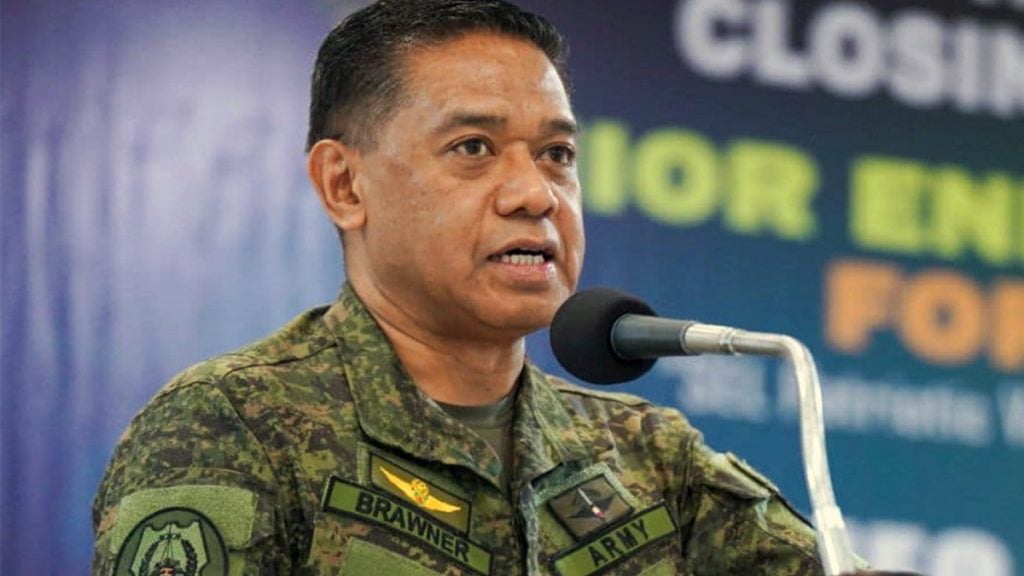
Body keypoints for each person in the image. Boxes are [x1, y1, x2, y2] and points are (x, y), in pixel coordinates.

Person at [91, 1, 841, 574]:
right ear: (344, 184)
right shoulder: (238, 425)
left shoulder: (650, 457)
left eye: (556, 154)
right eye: (474, 147)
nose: (535, 194)